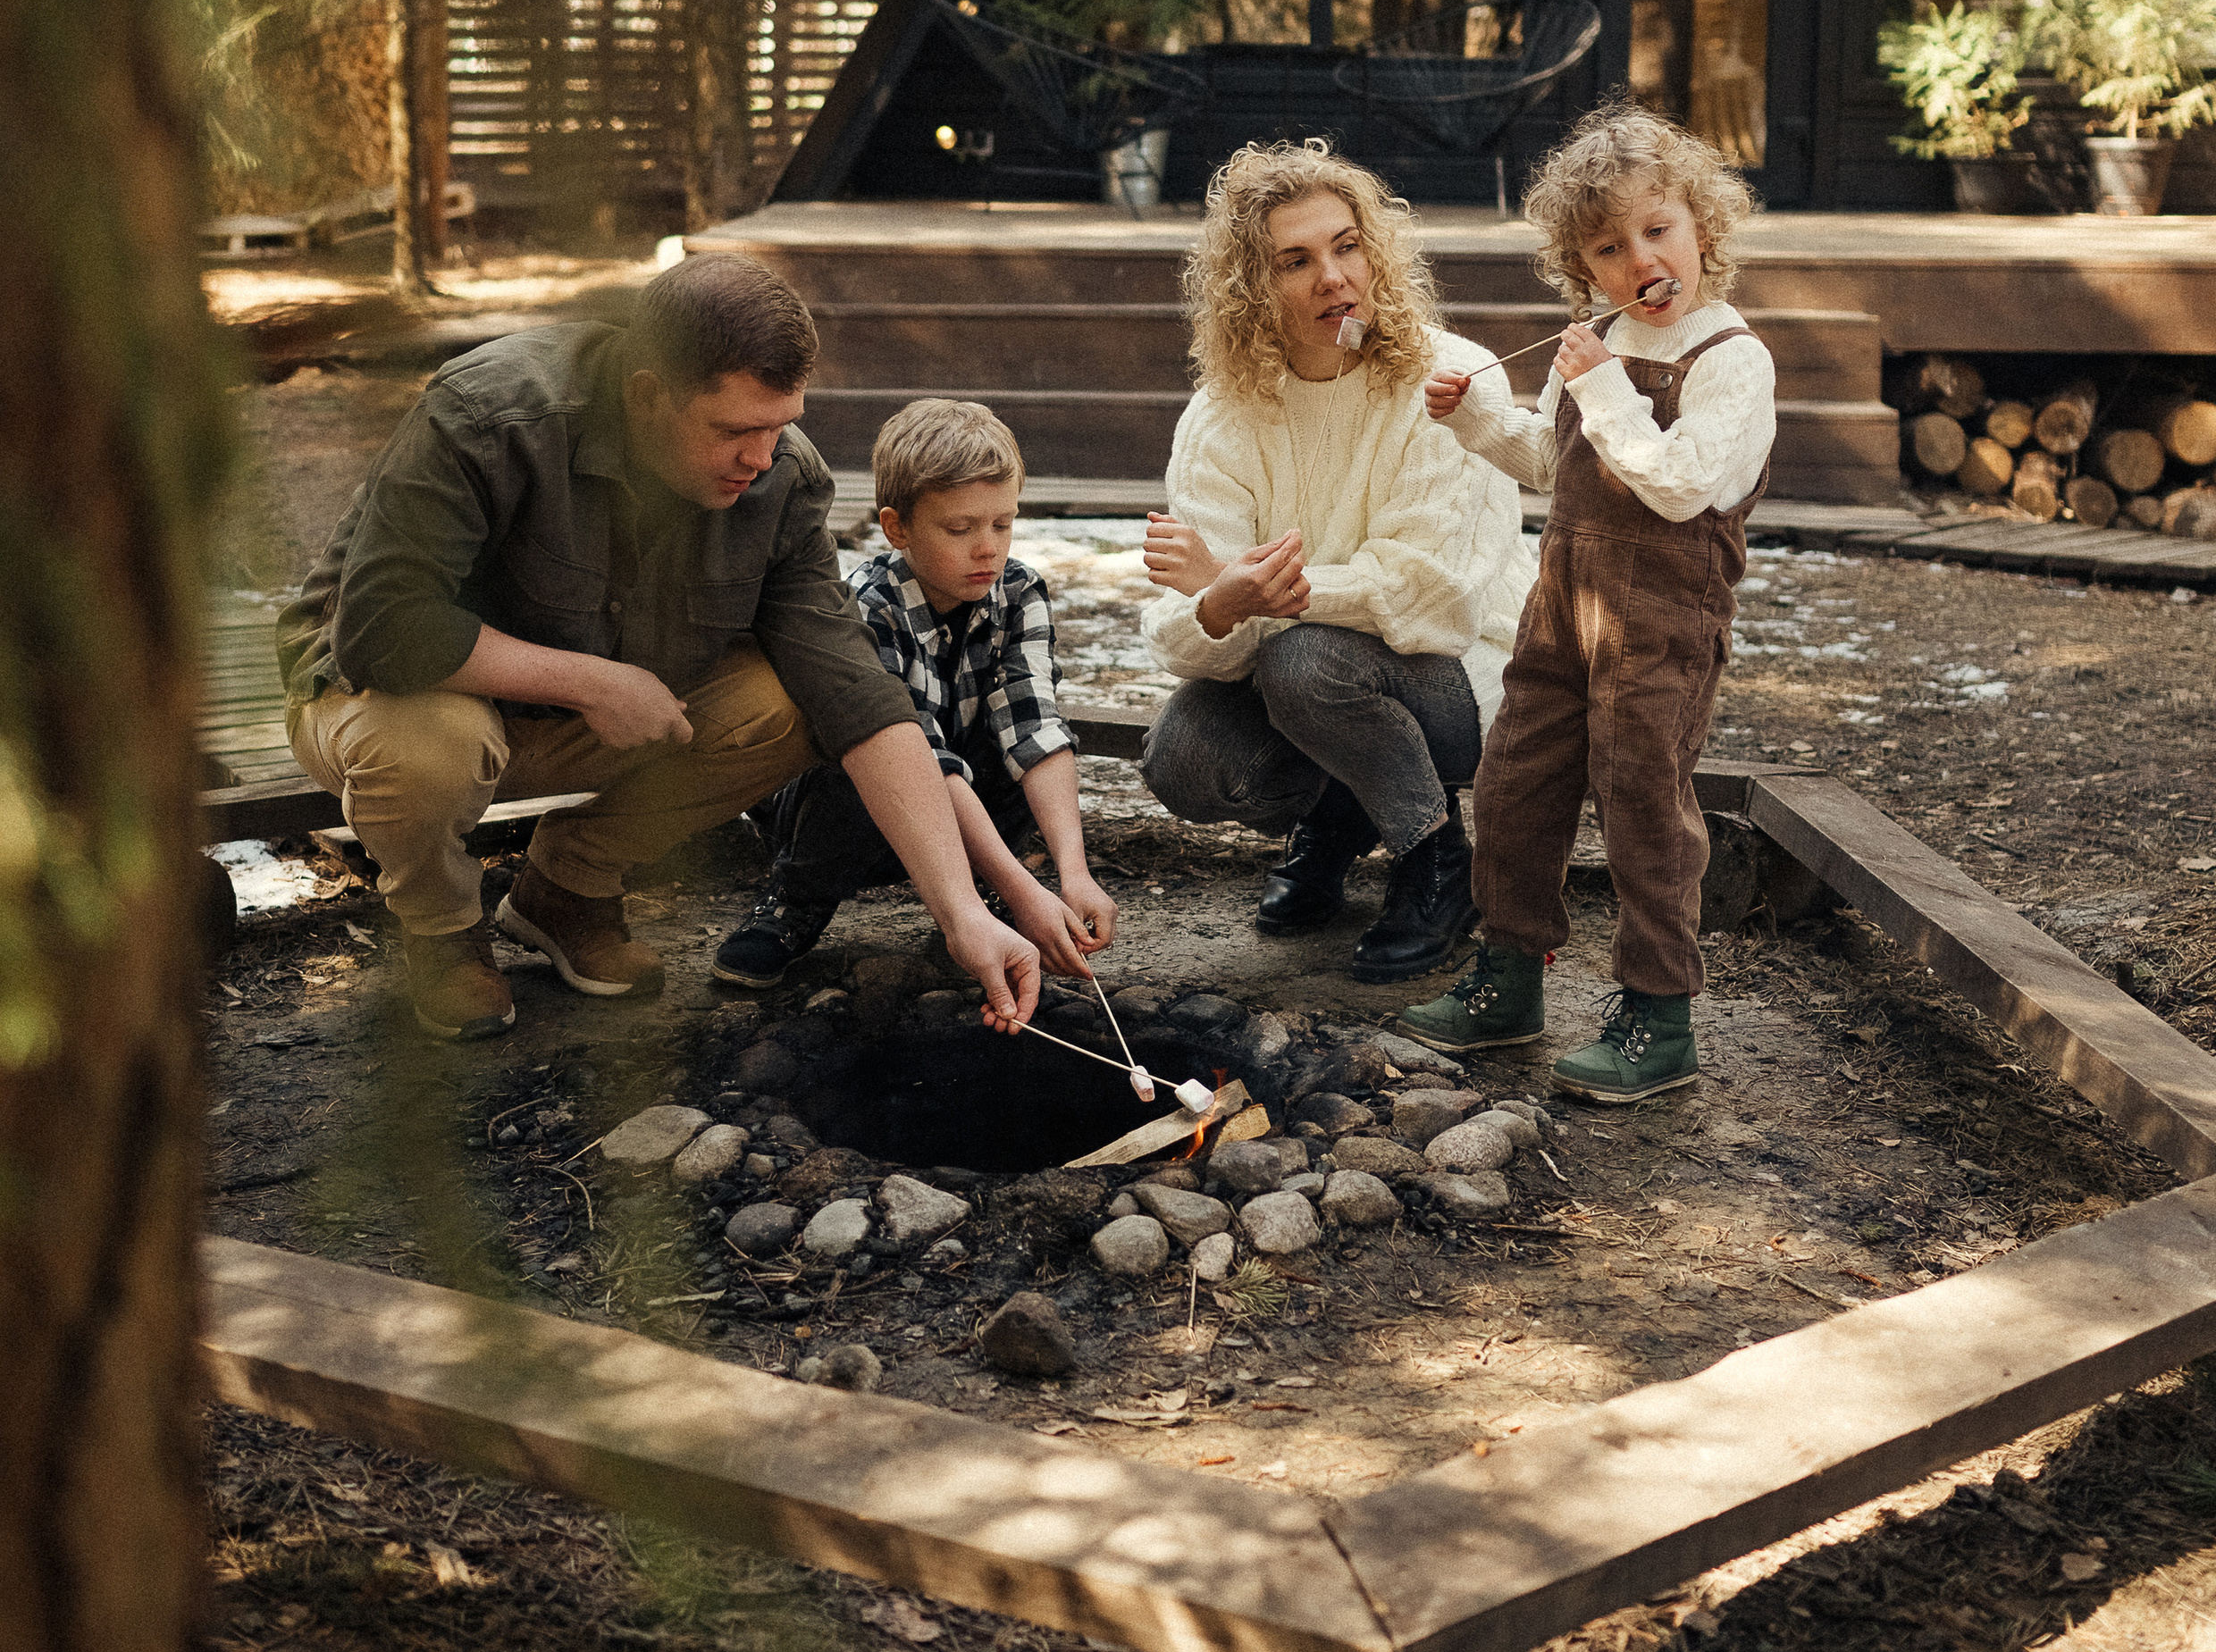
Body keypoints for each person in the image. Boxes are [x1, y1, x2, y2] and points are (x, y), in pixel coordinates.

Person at [277, 255, 1042, 1043]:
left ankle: (566, 890)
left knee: (792, 707)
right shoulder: (488, 415)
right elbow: (379, 626)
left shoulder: (781, 479)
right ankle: (442, 929)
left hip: (577, 721)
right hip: (379, 698)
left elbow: (860, 698)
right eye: (734, 430)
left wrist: (964, 915)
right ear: (646, 393)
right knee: (430, 743)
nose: (762, 457)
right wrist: (592, 682)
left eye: (780, 426)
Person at [1400, 100, 1775, 1099]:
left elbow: (1673, 481)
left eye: (1657, 229)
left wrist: (1604, 387)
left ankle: (1659, 1014)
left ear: (1702, 225)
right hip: (1562, 609)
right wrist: (1479, 415)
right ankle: (1509, 975)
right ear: (1583, 266)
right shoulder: (1598, 341)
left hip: (1662, 623)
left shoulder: (1731, 360)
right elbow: (1556, 458)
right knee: (1517, 780)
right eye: (1607, 248)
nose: (1639, 259)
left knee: (1644, 804)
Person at [1137, 141, 1533, 981]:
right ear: (1253, 288)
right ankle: (1346, 809)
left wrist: (1249, 588)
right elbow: (1180, 633)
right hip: (1312, 683)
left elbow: (1431, 599)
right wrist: (1219, 603)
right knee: (1184, 756)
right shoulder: (1222, 416)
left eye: (1347, 245)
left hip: (1462, 676)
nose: (1334, 278)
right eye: (1295, 260)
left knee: (1304, 657)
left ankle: (1434, 858)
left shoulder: (1450, 380)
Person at [715, 397, 1117, 986]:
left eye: (1002, 523)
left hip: (958, 800)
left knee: (1019, 751)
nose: (988, 547)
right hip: (855, 807)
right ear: (896, 527)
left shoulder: (1019, 590)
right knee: (854, 763)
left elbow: (1036, 727)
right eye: (960, 527)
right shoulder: (869, 606)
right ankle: (798, 898)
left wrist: (1071, 872)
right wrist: (1025, 887)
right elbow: (922, 761)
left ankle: (977, 896)